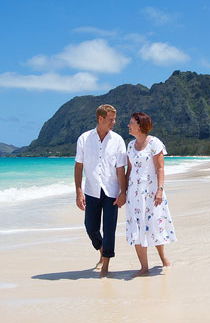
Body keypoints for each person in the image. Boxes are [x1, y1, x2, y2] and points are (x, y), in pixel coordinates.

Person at [75, 104, 128, 278]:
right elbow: (79, 166)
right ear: (101, 119)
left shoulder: (118, 140)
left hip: (112, 190)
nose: (114, 122)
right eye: (111, 119)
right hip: (91, 190)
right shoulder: (84, 139)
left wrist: (123, 192)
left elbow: (121, 169)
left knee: (109, 229)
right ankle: (102, 249)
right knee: (90, 227)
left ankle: (105, 264)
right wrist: (79, 191)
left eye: (114, 118)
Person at [124, 112, 176, 277]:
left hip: (152, 192)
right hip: (134, 195)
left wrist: (160, 190)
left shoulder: (154, 143)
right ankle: (144, 267)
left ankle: (163, 258)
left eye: (131, 123)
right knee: (136, 228)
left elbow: (160, 168)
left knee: (154, 225)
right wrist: (123, 191)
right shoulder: (130, 145)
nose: (128, 125)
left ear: (139, 125)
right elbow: (129, 170)